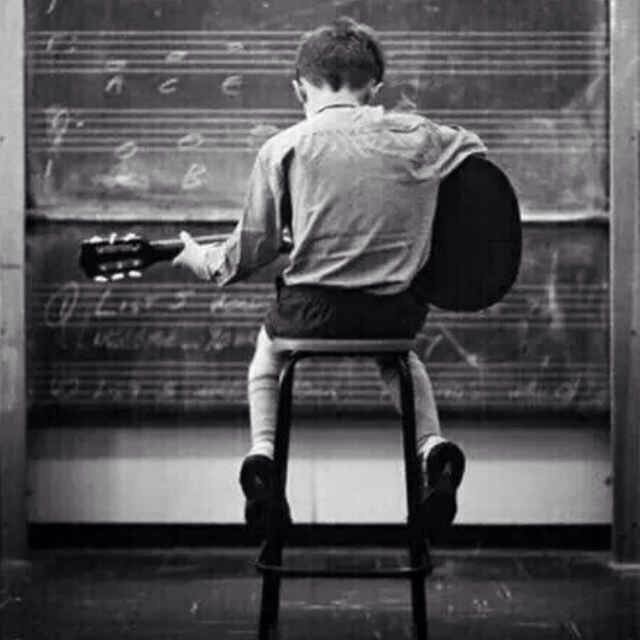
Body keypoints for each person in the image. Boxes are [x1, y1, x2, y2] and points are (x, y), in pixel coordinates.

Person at [172, 17, 486, 541]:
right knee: (400, 361)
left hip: (308, 318)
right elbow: (476, 160)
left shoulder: (283, 147)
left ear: (300, 88)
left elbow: (249, 254)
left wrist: (195, 258)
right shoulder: (427, 137)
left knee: (268, 356)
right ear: (375, 87)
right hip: (393, 316)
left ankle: (263, 457)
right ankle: (432, 449)